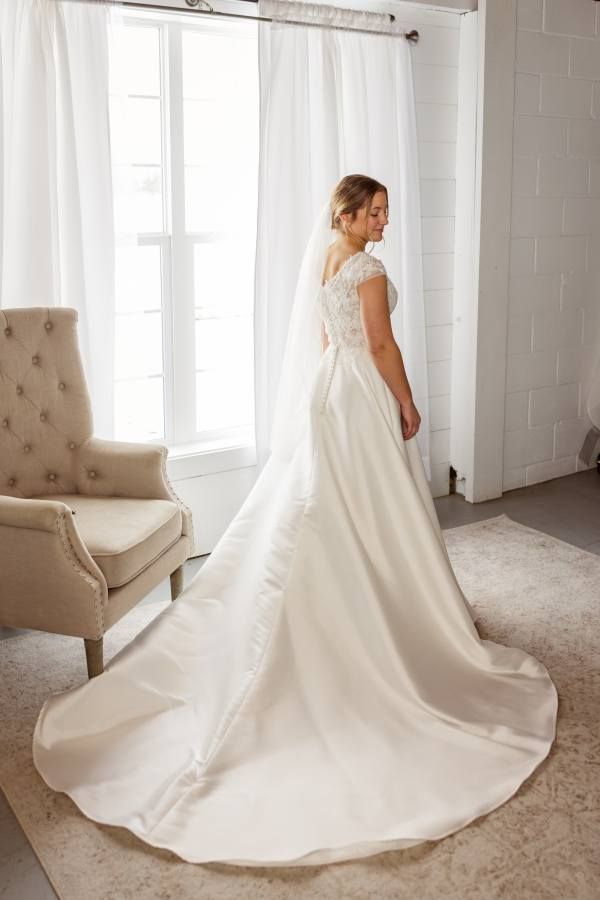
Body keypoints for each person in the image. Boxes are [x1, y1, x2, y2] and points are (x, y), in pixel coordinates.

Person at [33, 174, 558, 868]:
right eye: (374, 212)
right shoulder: (367, 266)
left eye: (386, 213)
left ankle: (355, 596)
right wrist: (406, 403)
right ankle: (381, 614)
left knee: (326, 505)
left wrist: (341, 387)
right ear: (346, 212)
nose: (383, 223)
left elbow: (326, 337)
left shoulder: (327, 258)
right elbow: (380, 346)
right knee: (367, 507)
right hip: (360, 391)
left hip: (328, 392)